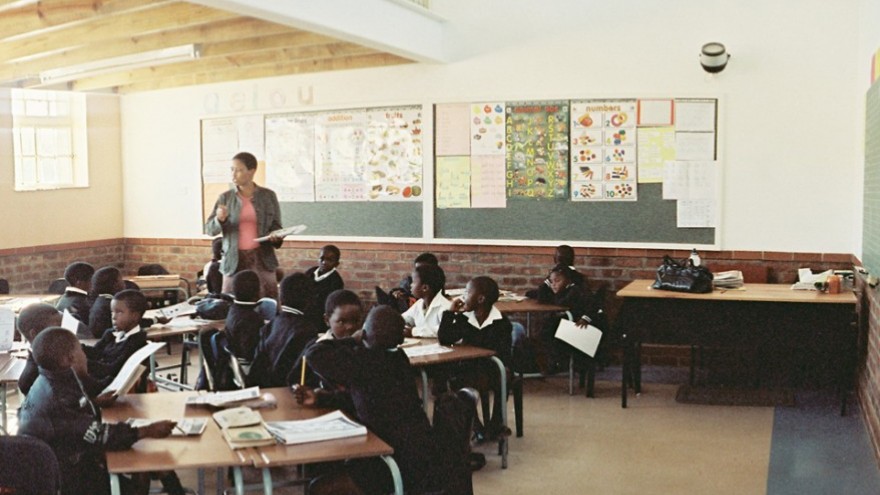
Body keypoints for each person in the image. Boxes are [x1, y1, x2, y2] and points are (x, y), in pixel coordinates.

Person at [302, 306, 474, 495]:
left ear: (365, 333)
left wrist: (353, 338)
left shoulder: (360, 361)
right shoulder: (398, 358)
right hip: (419, 455)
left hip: (391, 461)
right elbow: (368, 399)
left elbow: (313, 353)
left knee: (319, 487)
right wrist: (322, 397)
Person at [17, 327, 175, 495]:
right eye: (82, 352)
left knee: (141, 462)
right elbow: (100, 435)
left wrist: (94, 403)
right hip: (65, 479)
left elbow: (65, 420)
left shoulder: (48, 379)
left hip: (53, 462)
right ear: (69, 359)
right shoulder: (62, 396)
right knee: (141, 462)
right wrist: (147, 430)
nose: (85, 357)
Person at [438, 276, 513, 439]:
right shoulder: (465, 318)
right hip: (469, 368)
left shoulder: (501, 322)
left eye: (467, 292)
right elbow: (445, 338)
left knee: (505, 374)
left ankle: (496, 423)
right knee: (456, 379)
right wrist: (450, 313)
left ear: (480, 299)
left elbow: (504, 353)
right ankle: (475, 425)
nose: (464, 296)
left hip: (492, 368)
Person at [204, 151, 283, 299]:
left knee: (269, 301)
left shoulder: (268, 196)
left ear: (252, 171)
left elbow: (277, 226)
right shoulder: (225, 198)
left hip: (263, 258)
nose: (234, 174)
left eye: (239, 170)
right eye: (232, 169)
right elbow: (209, 229)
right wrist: (219, 220)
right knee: (230, 302)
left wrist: (276, 236)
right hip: (234, 260)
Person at [248, 273, 319, 387]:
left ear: (280, 298)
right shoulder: (308, 330)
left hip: (265, 387)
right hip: (287, 391)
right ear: (310, 300)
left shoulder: (272, 324)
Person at [286, 289, 363, 389]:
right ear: (327, 320)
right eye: (342, 321)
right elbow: (293, 379)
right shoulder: (316, 346)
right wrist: (298, 389)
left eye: (356, 320)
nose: (350, 327)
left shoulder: (364, 348)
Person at [17, 303, 92, 396]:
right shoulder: (30, 379)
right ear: (34, 334)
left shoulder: (59, 355)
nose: (62, 330)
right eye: (57, 326)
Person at [535, 264, 595, 374]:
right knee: (546, 326)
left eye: (557, 281)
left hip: (579, 325)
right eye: (551, 281)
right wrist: (547, 283)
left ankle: (555, 363)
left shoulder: (574, 290)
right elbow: (540, 297)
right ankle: (550, 362)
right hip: (567, 322)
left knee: (547, 328)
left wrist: (586, 318)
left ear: (568, 281)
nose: (553, 285)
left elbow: (560, 303)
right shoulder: (564, 289)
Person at [83, 289, 149, 388]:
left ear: (135, 316)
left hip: (117, 386)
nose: (113, 317)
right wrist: (78, 349)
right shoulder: (110, 333)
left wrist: (82, 362)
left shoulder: (137, 342)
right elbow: (96, 352)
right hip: (101, 379)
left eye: (119, 312)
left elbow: (113, 369)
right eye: (112, 312)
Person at [225, 270, 265, 364]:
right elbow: (251, 354)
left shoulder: (233, 310)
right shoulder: (252, 319)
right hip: (247, 368)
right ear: (256, 291)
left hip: (235, 364)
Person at [402, 264, 451, 338]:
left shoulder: (445, 306)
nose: (411, 285)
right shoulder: (419, 303)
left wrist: (413, 331)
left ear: (425, 288)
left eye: (413, 282)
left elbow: (443, 331)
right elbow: (405, 318)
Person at [305, 245, 344, 328]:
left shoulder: (336, 281)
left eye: (330, 260)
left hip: (320, 320)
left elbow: (332, 306)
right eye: (322, 258)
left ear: (336, 264)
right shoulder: (310, 272)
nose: (324, 262)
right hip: (304, 314)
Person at [87, 266, 125, 339]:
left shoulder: (100, 300)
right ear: (115, 285)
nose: (124, 283)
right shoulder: (111, 305)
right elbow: (127, 324)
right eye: (121, 280)